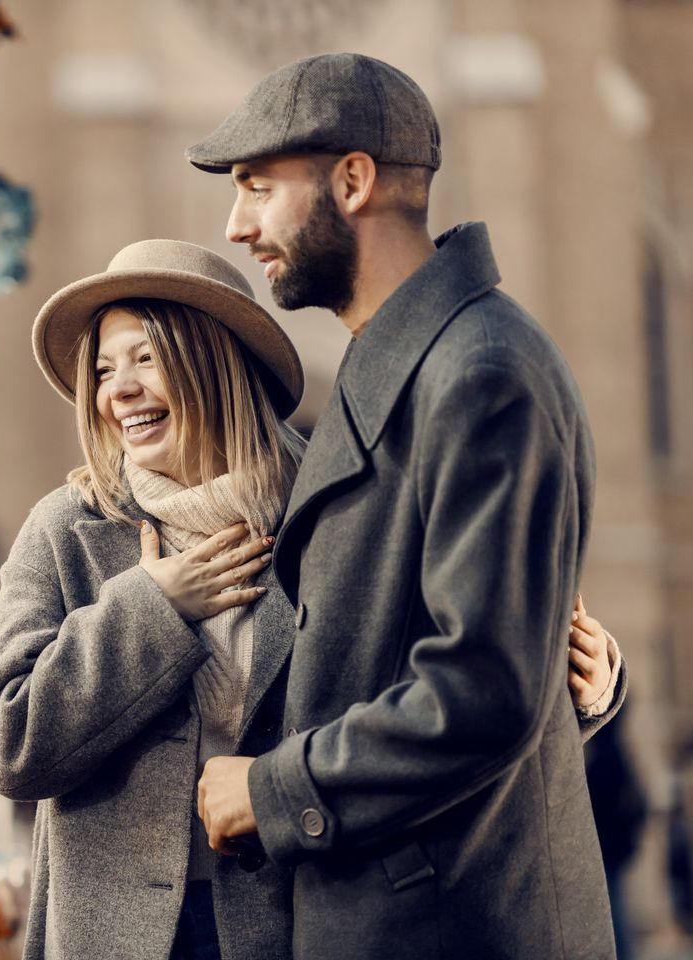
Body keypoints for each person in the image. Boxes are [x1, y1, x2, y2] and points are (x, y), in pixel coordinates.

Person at [0, 236, 625, 959]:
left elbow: (427, 706)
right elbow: (7, 743)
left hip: (304, 926)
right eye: (102, 369)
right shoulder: (67, 530)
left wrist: (578, 695)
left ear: (216, 361)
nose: (116, 389)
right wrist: (152, 609)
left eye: (146, 358)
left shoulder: (339, 510)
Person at [188, 53, 619, 959]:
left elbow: (480, 692)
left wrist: (270, 790)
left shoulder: (481, 374)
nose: (237, 226)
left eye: (260, 188)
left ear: (353, 181)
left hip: (452, 926)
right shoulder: (410, 361)